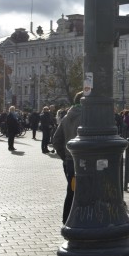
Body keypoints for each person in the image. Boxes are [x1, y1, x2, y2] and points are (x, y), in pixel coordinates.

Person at [52, 91, 82, 224]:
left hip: (69, 161)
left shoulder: (66, 117)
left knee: (71, 190)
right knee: (84, 191)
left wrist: (64, 156)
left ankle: (66, 219)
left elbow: (56, 140)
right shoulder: (86, 117)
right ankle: (78, 220)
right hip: (82, 161)